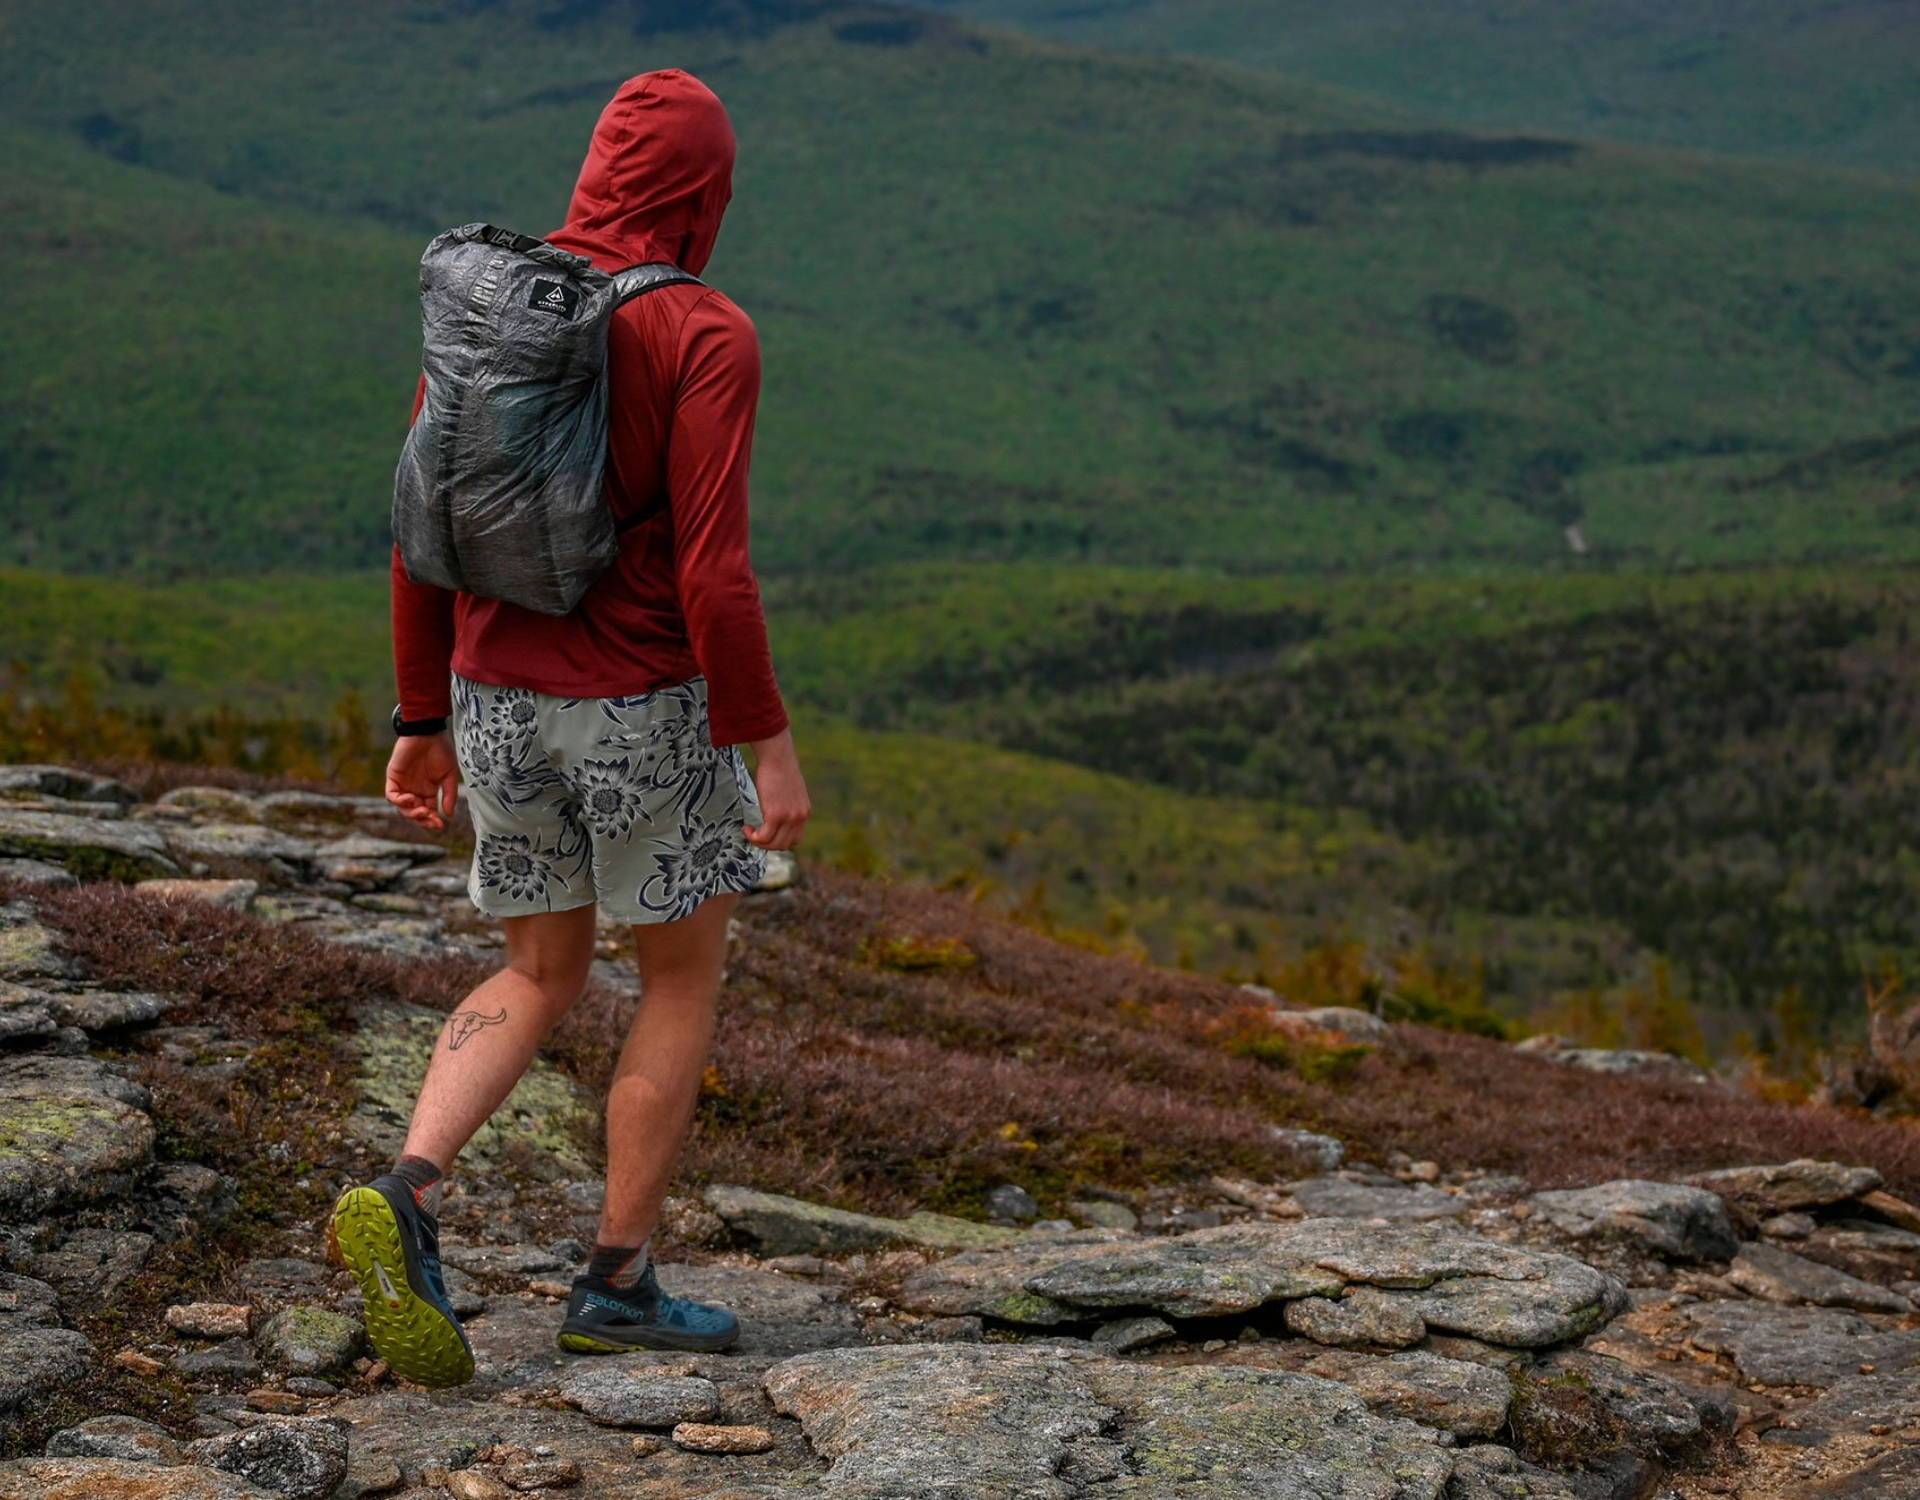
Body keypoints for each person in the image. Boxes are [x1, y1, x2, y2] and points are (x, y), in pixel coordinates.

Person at [328, 68, 809, 1389]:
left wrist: (421, 713)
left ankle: (411, 1189)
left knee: (539, 973)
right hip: (642, 712)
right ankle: (617, 1284)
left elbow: (417, 533)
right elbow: (714, 573)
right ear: (703, 193)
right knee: (677, 980)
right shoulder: (708, 333)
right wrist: (766, 740)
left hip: (495, 704)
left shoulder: (491, 313)